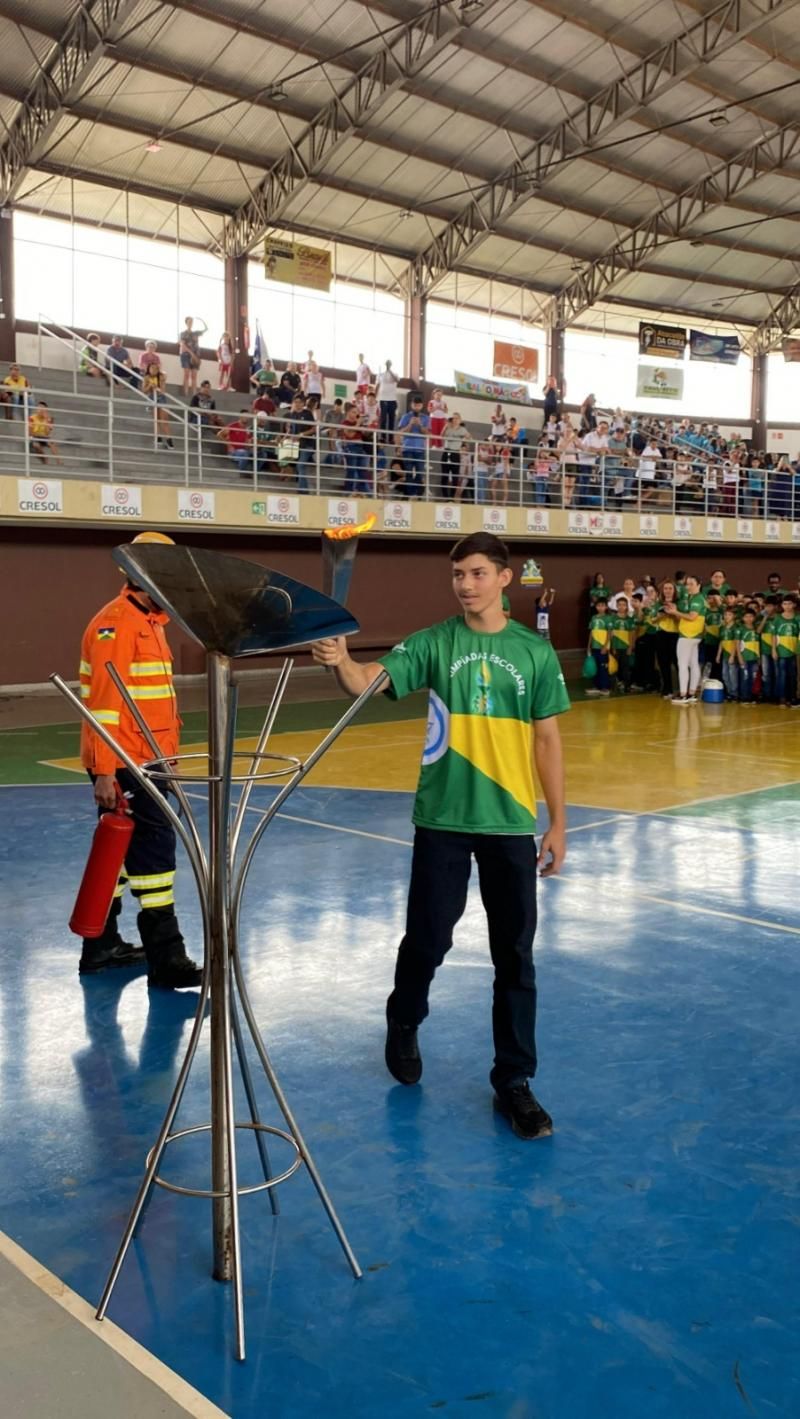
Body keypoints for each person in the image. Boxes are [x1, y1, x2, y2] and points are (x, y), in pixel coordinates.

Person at [311, 532, 569, 1140]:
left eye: (477, 573)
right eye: (458, 575)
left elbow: (547, 740)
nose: (466, 584)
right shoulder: (433, 642)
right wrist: (341, 660)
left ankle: (514, 1080)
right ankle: (404, 1018)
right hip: (443, 821)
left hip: (509, 822)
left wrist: (558, 821)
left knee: (515, 957)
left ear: (504, 578)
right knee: (427, 940)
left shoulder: (534, 652)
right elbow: (367, 680)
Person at [77, 531, 202, 987]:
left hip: (148, 760)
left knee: (119, 854)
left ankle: (101, 946)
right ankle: (167, 959)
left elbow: (155, 704)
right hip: (127, 761)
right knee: (154, 852)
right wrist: (104, 771)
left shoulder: (149, 622)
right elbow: (104, 707)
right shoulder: (117, 624)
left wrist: (168, 758)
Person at [673, 573, 705, 704]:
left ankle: (683, 695)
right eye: (687, 584)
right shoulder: (691, 598)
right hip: (693, 635)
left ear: (699, 585)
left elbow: (692, 617)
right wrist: (675, 612)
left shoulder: (697, 599)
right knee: (693, 664)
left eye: (692, 584)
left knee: (682, 665)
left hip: (688, 635)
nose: (688, 587)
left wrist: (675, 612)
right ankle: (691, 693)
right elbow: (685, 616)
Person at [395, 395, 430, 496]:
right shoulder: (406, 416)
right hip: (407, 448)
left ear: (422, 405)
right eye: (415, 404)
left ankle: (415, 494)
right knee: (409, 473)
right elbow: (401, 432)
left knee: (420, 472)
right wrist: (410, 424)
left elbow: (428, 434)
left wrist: (420, 425)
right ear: (411, 405)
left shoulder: (426, 418)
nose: (416, 407)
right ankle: (410, 495)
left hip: (420, 449)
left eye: (418, 405)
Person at [771, 595, 799, 707]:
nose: (787, 606)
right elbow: (774, 635)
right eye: (785, 604)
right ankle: (782, 697)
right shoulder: (777, 618)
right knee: (781, 675)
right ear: (781, 605)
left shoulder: (797, 617)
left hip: (793, 650)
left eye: (789, 604)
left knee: (792, 675)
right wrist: (774, 650)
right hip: (781, 651)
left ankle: (792, 696)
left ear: (794, 605)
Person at [654, 580, 680, 698]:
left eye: (670, 588)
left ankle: (681, 689)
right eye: (665, 588)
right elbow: (652, 620)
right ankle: (667, 688)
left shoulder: (679, 603)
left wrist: (673, 613)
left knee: (677, 662)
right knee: (663, 663)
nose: (668, 591)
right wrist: (660, 616)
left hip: (675, 634)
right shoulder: (658, 603)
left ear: (674, 590)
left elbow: (682, 620)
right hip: (661, 634)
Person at [142, 361, 173, 448]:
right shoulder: (146, 377)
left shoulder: (161, 376)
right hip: (152, 398)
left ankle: (169, 440)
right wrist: (150, 386)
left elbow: (163, 390)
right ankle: (158, 437)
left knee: (164, 419)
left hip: (161, 398)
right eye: (152, 368)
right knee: (156, 419)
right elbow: (144, 390)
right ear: (148, 369)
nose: (154, 370)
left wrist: (157, 387)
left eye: (156, 368)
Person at [609, 595, 636, 693]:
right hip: (615, 647)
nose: (621, 607)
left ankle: (627, 686)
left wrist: (630, 647)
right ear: (616, 606)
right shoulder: (612, 618)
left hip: (625, 647)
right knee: (613, 668)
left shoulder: (630, 619)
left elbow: (632, 634)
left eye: (623, 605)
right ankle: (613, 686)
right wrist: (612, 647)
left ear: (626, 606)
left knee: (626, 668)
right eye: (619, 605)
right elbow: (610, 634)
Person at [586, 595, 611, 696]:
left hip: (603, 647)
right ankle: (596, 686)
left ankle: (605, 688)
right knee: (595, 667)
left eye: (602, 605)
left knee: (603, 668)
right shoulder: (594, 618)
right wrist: (589, 646)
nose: (600, 607)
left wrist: (605, 646)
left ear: (606, 607)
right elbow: (591, 632)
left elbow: (610, 633)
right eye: (598, 605)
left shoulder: (608, 618)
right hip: (594, 647)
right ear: (596, 607)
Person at [440, 413, 470, 499]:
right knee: (444, 476)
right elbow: (441, 436)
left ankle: (452, 497)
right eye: (454, 418)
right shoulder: (448, 427)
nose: (455, 420)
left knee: (455, 477)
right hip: (447, 451)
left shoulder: (462, 429)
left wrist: (462, 439)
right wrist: (445, 427)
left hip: (455, 453)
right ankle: (445, 497)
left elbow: (469, 437)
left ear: (460, 420)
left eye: (457, 418)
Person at [736, 608, 760, 706]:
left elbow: (758, 644)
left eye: (751, 616)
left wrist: (759, 658)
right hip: (744, 657)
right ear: (743, 618)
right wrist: (739, 657)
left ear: (754, 618)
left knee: (753, 677)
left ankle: (751, 696)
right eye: (746, 616)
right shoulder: (740, 629)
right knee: (745, 677)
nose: (749, 618)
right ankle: (744, 697)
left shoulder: (756, 629)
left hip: (754, 657)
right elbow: (737, 644)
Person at [179, 316, 207, 397]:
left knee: (194, 375)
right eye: (189, 321)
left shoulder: (196, 333)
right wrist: (192, 354)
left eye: (192, 321)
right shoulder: (183, 333)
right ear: (186, 323)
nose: (190, 323)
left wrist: (202, 320)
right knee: (186, 374)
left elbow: (206, 329)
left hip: (196, 355)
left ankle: (194, 395)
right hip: (186, 355)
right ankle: (185, 393)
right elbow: (183, 345)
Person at [28, 400, 62, 466]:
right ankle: (44, 458)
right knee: (36, 445)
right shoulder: (32, 417)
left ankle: (59, 461)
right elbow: (30, 432)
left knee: (52, 443)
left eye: (43, 408)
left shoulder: (49, 419)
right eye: (39, 408)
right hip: (35, 436)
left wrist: (46, 420)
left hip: (44, 436)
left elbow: (47, 433)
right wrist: (34, 435)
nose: (41, 410)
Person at [716, 608, 739, 700]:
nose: (727, 617)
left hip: (732, 654)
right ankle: (729, 692)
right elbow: (722, 641)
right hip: (725, 654)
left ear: (734, 616)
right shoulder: (722, 628)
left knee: (733, 674)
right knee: (725, 675)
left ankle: (734, 693)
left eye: (729, 615)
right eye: (725, 615)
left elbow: (736, 642)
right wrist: (718, 655)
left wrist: (732, 655)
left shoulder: (736, 627)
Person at [377, 360, 399, 435]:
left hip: (392, 399)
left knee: (391, 420)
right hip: (383, 399)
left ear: (391, 365)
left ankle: (390, 437)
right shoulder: (380, 374)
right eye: (387, 364)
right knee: (383, 419)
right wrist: (375, 397)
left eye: (389, 364)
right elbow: (377, 385)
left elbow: (397, 380)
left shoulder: (395, 374)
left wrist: (389, 370)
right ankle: (382, 437)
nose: (388, 365)